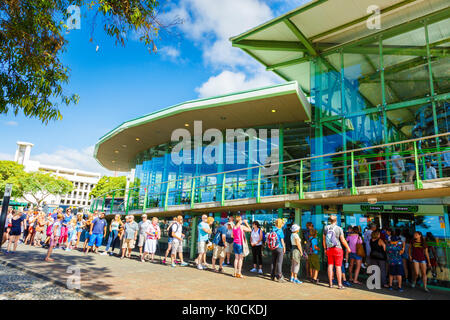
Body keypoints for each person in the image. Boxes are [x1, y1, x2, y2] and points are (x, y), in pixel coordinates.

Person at [322, 215, 351, 289]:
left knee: (330, 265)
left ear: (329, 220)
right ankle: (339, 284)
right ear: (336, 220)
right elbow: (342, 240)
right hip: (337, 249)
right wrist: (348, 247)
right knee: (338, 267)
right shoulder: (339, 228)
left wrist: (325, 249)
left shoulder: (326, 228)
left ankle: (330, 284)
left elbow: (324, 240)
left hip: (329, 249)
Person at [270, 218, 286, 283]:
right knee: (279, 262)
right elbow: (282, 240)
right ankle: (279, 276)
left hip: (273, 247)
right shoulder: (280, 230)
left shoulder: (272, 229)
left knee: (273, 262)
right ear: (280, 224)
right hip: (279, 247)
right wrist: (284, 248)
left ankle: (272, 275)